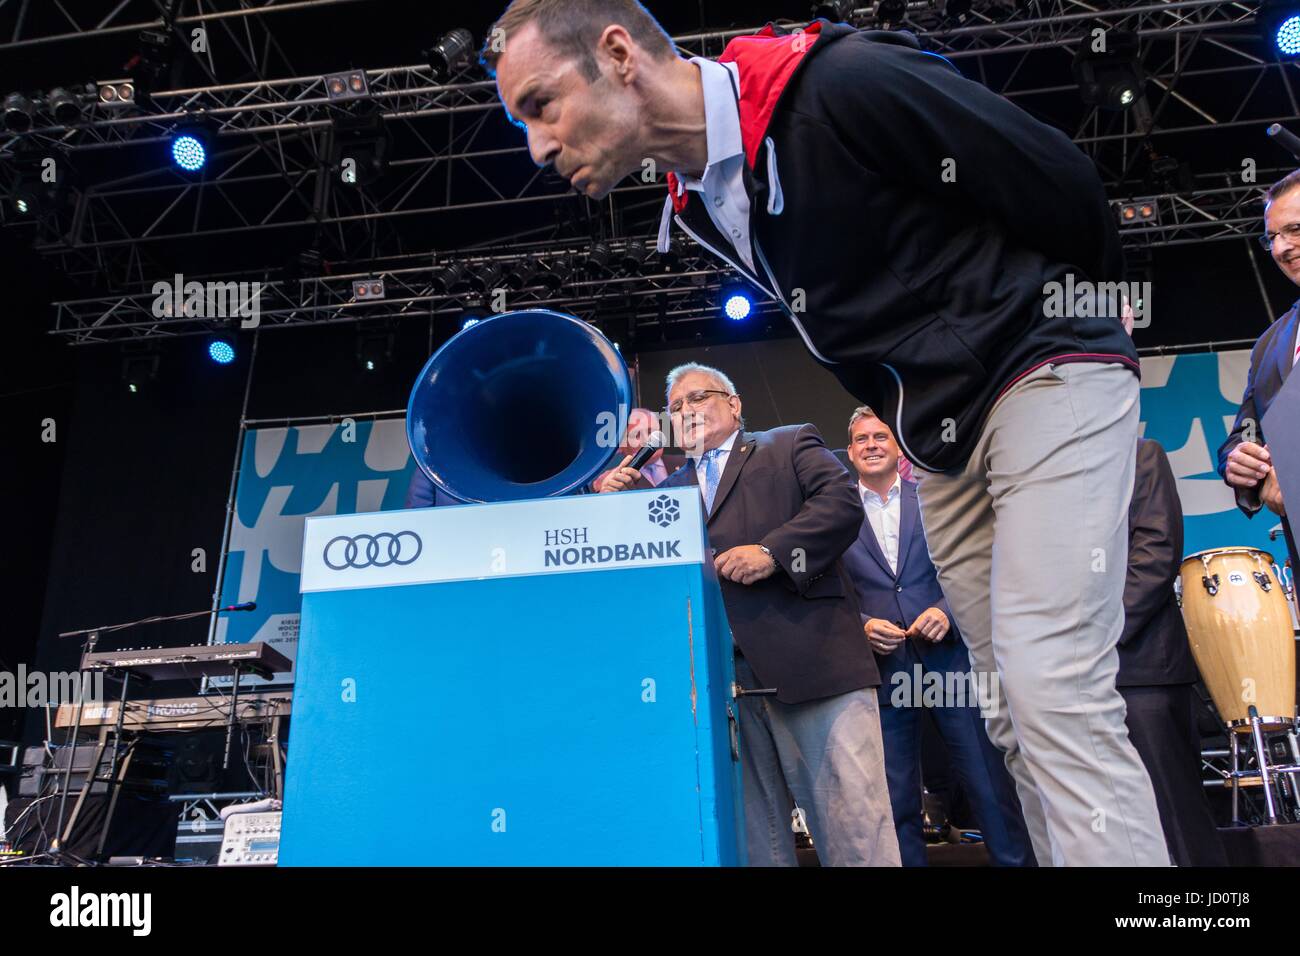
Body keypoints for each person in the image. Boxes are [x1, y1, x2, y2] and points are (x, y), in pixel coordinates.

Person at [485, 0, 1166, 866]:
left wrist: (1074, 325)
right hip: (942, 436)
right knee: (1011, 708)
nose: (536, 147)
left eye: (540, 105)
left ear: (618, 54)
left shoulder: (838, 83)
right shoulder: (698, 202)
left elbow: (1057, 175)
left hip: (1047, 371)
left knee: (1055, 691)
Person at [600, 362, 899, 866]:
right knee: (758, 841)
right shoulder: (669, 491)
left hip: (815, 668)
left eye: (698, 398)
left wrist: (772, 552)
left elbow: (842, 503)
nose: (686, 411)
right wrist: (624, 510)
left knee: (854, 828)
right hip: (729, 687)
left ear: (734, 404)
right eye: (674, 408)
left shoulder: (786, 443)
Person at [840, 406, 1033, 866]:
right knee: (896, 797)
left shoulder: (933, 498)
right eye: (862, 439)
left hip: (951, 661)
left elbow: (976, 565)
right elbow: (830, 588)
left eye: (881, 437)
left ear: (898, 446)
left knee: (988, 784)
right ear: (849, 452)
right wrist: (862, 624)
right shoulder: (837, 511)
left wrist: (948, 611)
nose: (871, 445)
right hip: (882, 670)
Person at [1120, 438, 1228, 867]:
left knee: (1175, 817)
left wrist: (1093, 640)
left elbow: (1157, 555)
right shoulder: (1042, 476)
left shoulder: (1141, 454)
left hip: (1141, 667)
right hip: (1068, 675)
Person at [1219, 169, 1300, 574]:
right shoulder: (1270, 344)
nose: (1282, 248)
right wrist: (1239, 460)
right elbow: (1247, 431)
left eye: (1295, 229)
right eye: (1272, 237)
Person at [592, 406, 684, 491]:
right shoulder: (611, 480)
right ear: (621, 446)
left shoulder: (686, 463)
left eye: (650, 431)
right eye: (636, 435)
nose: (646, 439)